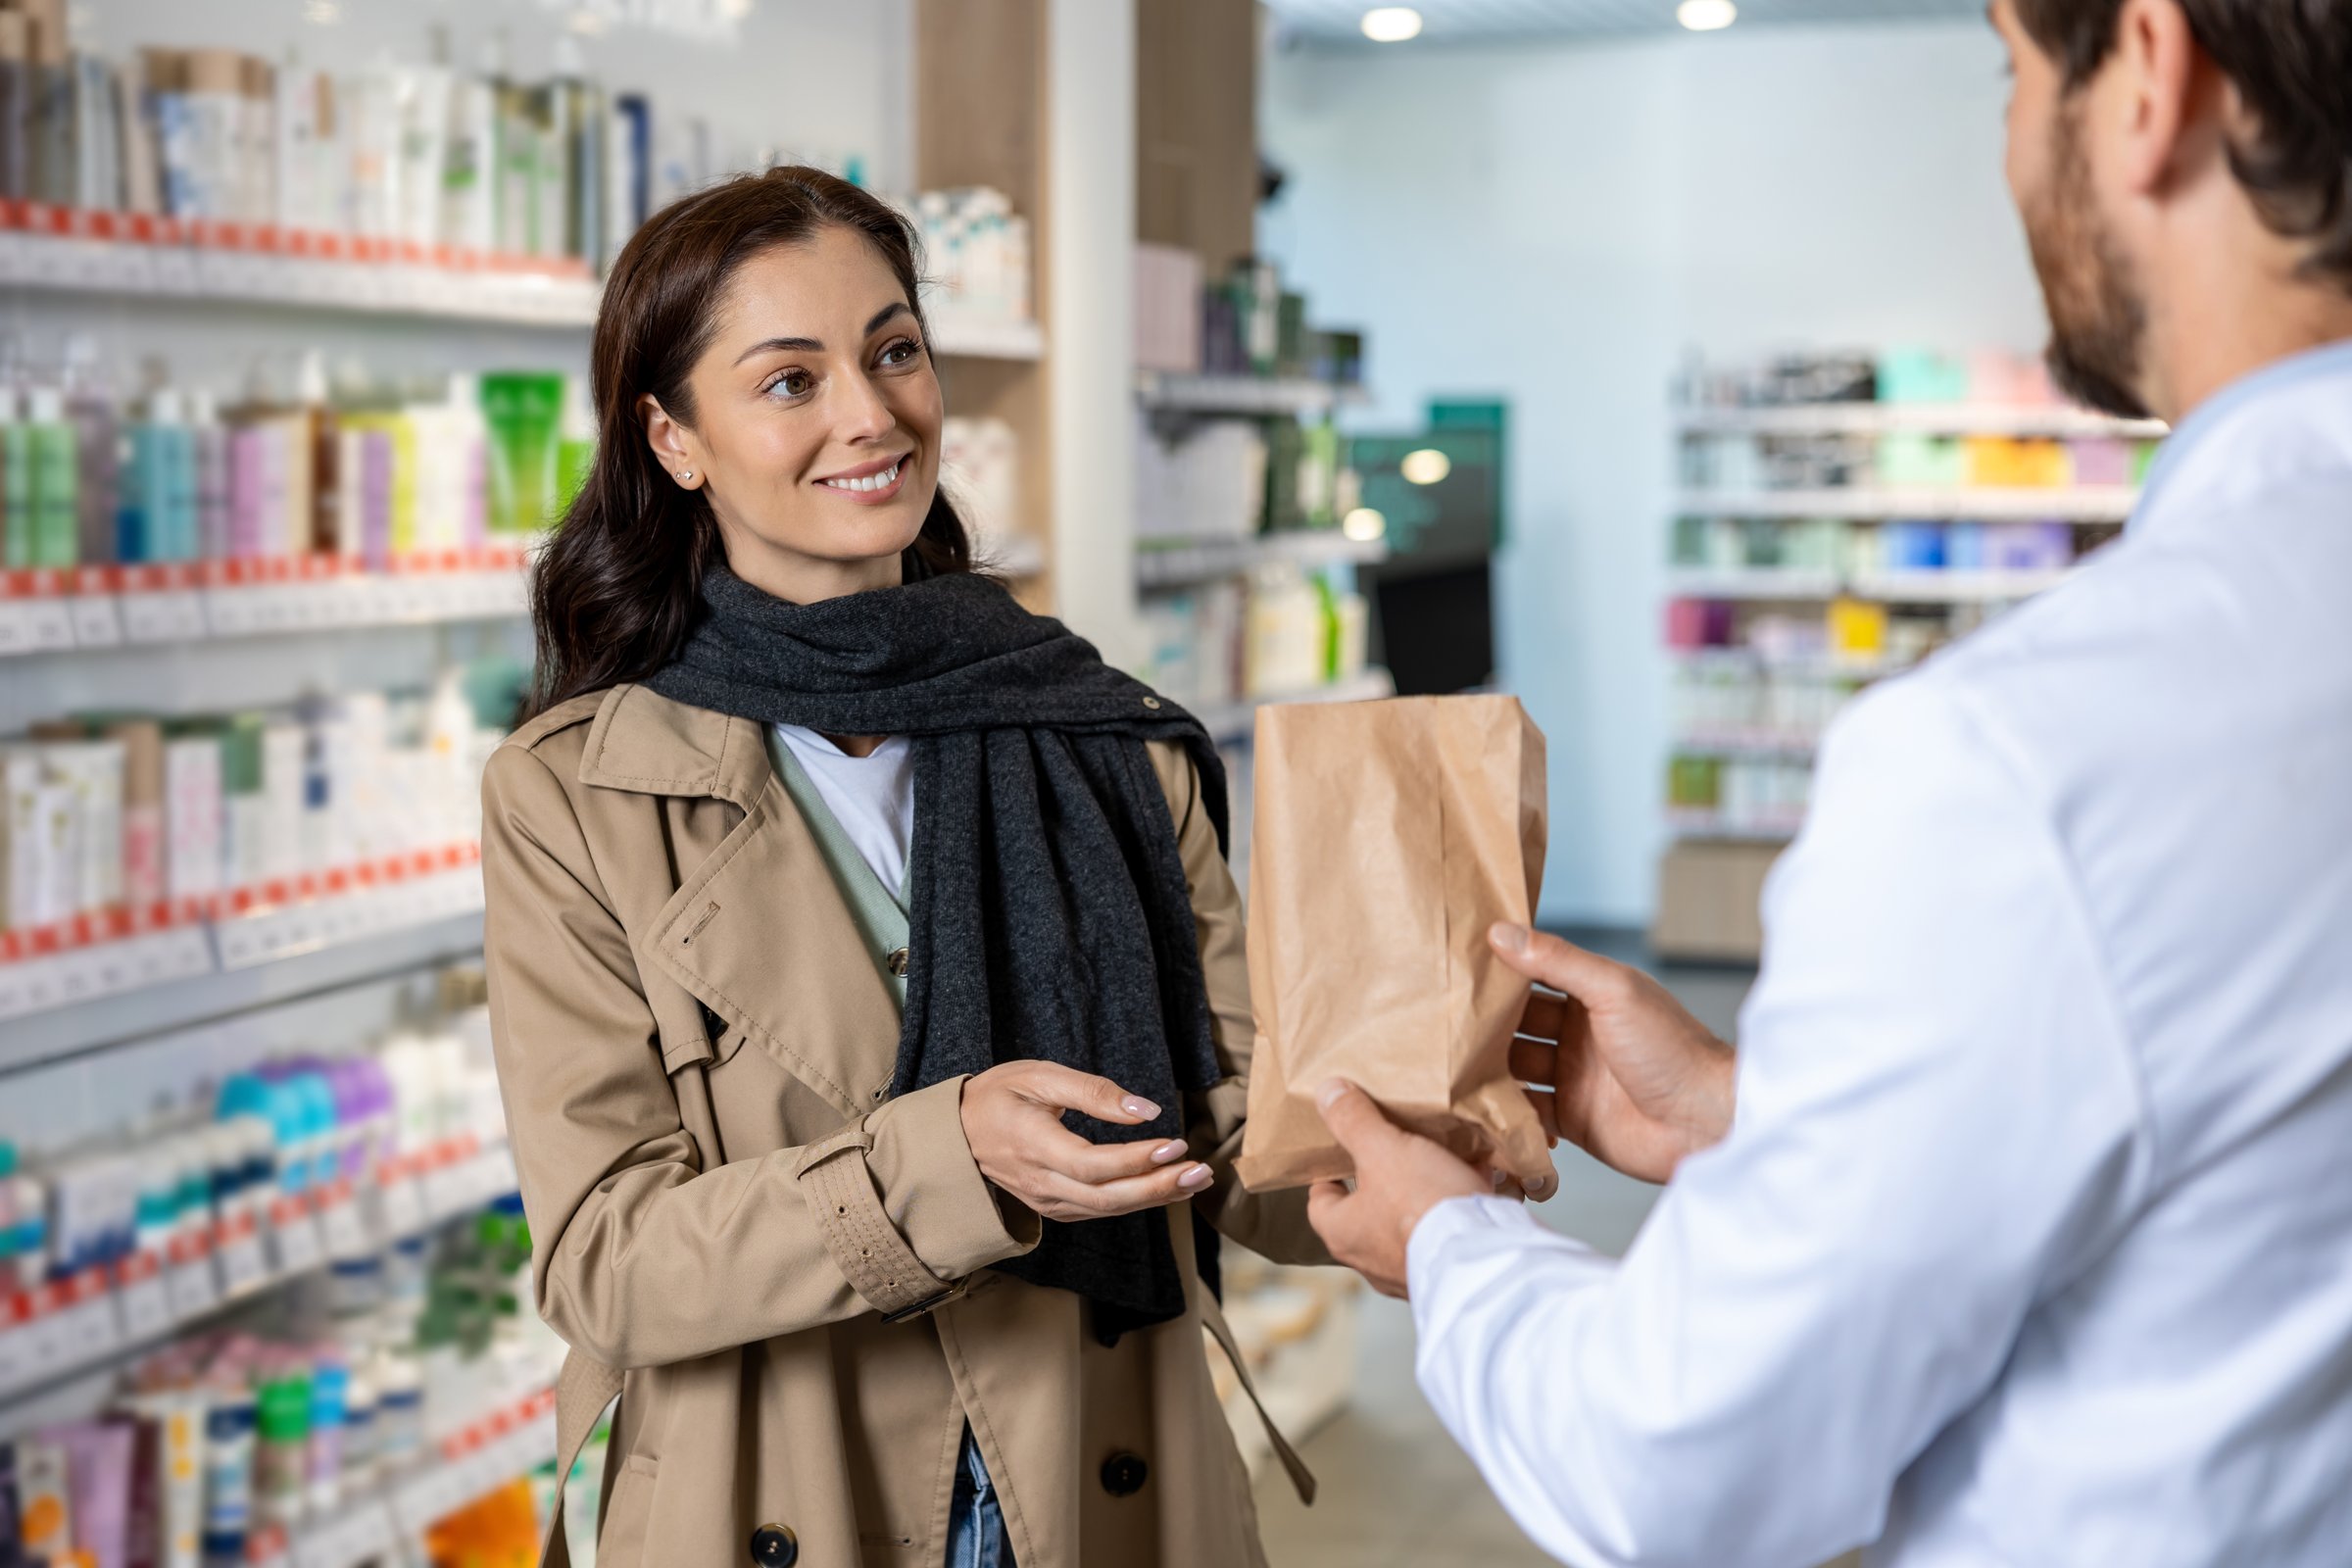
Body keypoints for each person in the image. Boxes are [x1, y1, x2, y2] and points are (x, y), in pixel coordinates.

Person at [1306, 0, 2352, 1561]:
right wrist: (1761, 1119)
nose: (2010, 144)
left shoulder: (2021, 755)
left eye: (2014, 72)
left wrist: (1448, 1246)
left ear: (2151, 73)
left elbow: (1685, 1472)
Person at [481, 167, 1322, 1568]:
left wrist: (1419, 1123)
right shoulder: (578, 796)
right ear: (674, 438)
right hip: (782, 1482)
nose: (870, 415)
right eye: (790, 380)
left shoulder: (1099, 731)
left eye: (894, 351)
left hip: (1100, 1473)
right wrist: (951, 1157)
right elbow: (605, 1263)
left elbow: (1235, 1140)